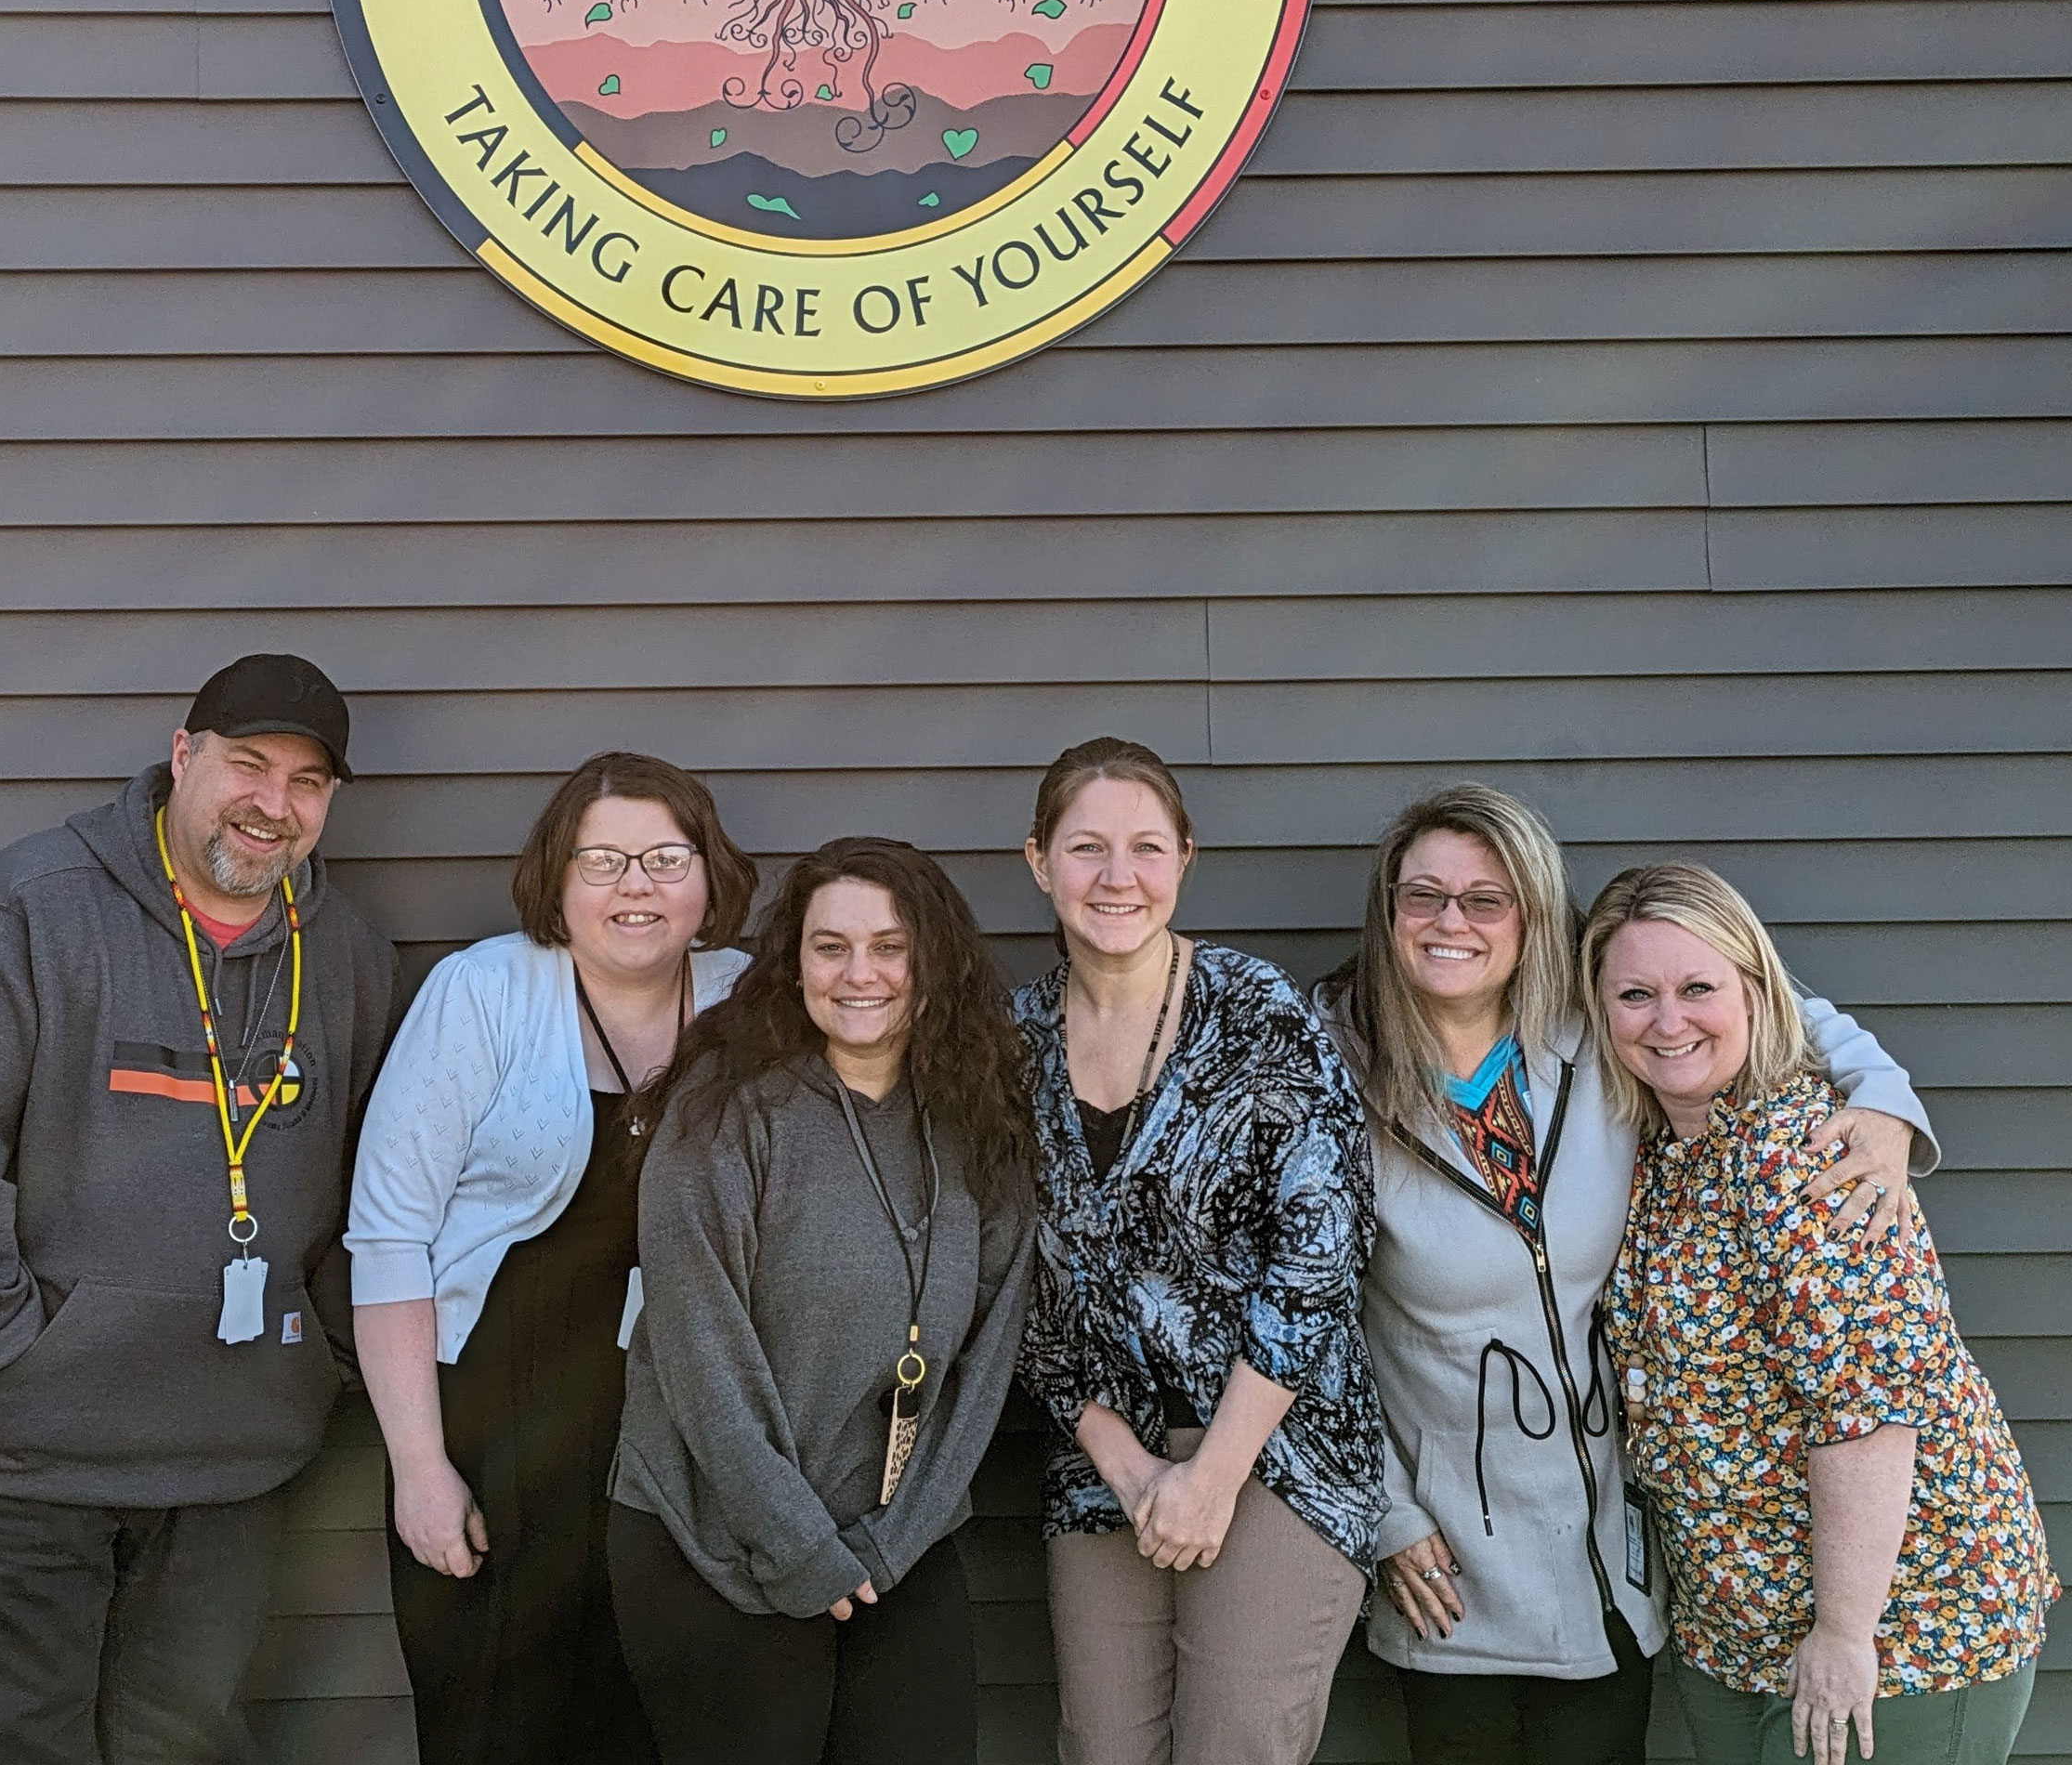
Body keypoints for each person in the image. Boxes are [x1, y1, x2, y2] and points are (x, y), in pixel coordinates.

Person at [0, 652, 404, 1765]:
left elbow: (376, 1189)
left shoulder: (346, 957)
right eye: (248, 764)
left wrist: (320, 1359)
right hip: (10, 1459)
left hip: (229, 1459)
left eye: (307, 782)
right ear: (183, 755)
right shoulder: (28, 909)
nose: (273, 803)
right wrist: (4, 1357)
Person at [1321, 787, 1941, 1765]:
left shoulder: (1596, 1024)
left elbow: (1756, 996)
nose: (1452, 922)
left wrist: (1885, 1096)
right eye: (1424, 896)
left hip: (1613, 1554)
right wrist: (1386, 1506)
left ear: (1533, 917)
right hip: (1447, 1557)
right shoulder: (1328, 1069)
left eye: (1486, 899)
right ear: (1387, 910)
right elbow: (1309, 1314)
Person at [343, 752, 759, 1765]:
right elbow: (389, 1237)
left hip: (672, 1429)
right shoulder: (481, 993)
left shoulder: (751, 1003)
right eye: (602, 859)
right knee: (496, 1721)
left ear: (709, 875)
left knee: (650, 1718)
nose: (635, 886)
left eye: (666, 857)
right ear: (556, 878)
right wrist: (420, 1468)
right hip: (496, 1425)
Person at [1591, 864, 2055, 1765]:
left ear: (1759, 993)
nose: (1668, 1021)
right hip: (1738, 1630)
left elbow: (1866, 1410)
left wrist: (1846, 1633)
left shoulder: (1808, 1154)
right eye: (1635, 994)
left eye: (1698, 989)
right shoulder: (1663, 1150)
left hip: (1901, 1632)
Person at [608, 835, 1039, 1765]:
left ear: (934, 962)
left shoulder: (976, 1118)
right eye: (830, 946)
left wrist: (897, 1539)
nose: (859, 974)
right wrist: (802, 1545)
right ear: (792, 962)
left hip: (898, 1544)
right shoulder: (726, 1109)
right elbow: (698, 1350)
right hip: (717, 1541)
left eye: (890, 947)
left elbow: (989, 1354)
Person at [1012, 736, 1384, 1765]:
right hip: (1102, 1459)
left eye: (1146, 846)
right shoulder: (1011, 1043)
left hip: (1276, 1448)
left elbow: (1321, 1252)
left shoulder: (1258, 1016)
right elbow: (1011, 1281)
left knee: (1234, 1746)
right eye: (1086, 847)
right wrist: (1130, 1469)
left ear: (1184, 857)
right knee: (1103, 1749)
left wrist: (1212, 1474)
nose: (1117, 876)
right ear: (1039, 861)